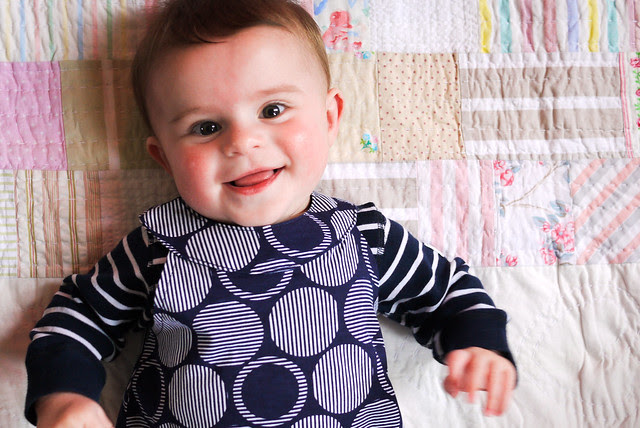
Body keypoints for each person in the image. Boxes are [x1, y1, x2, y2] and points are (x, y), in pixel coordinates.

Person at [25, 0, 517, 426]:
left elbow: (447, 291)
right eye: (206, 127)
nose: (243, 142)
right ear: (164, 157)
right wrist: (65, 396)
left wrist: (477, 343)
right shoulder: (160, 246)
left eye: (273, 110)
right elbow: (77, 317)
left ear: (329, 117)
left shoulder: (362, 236)